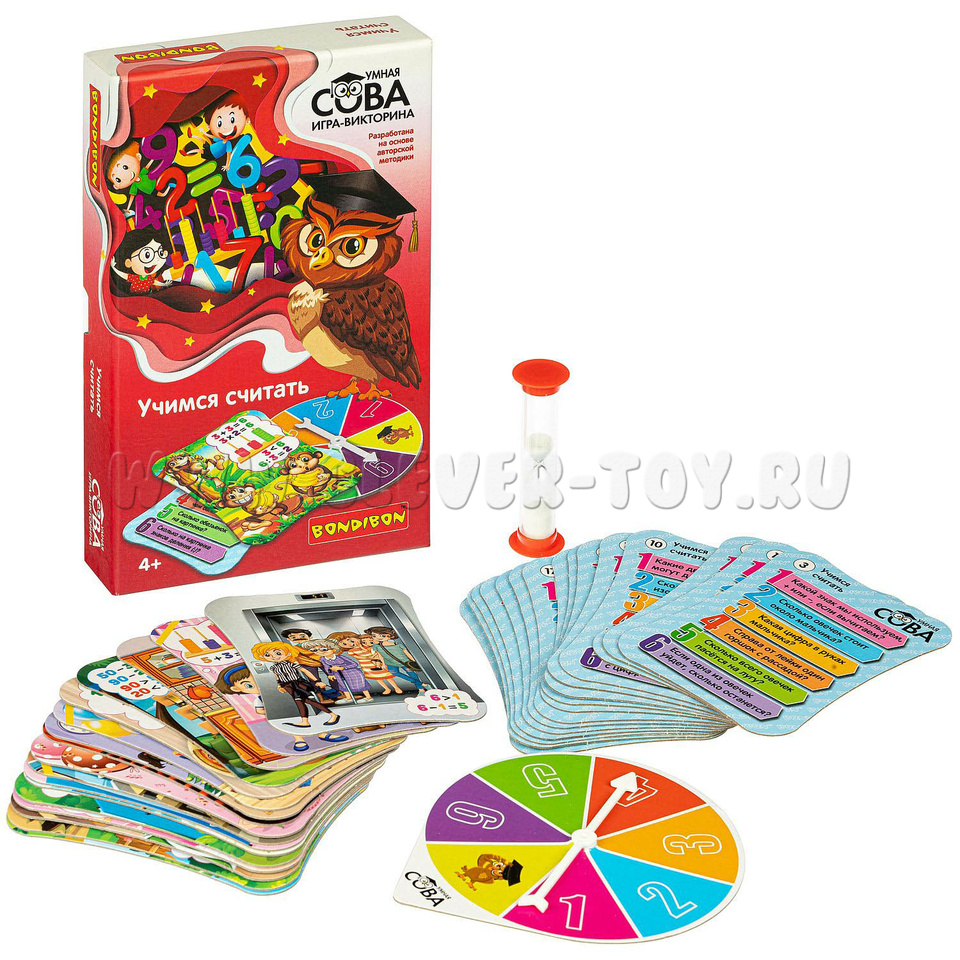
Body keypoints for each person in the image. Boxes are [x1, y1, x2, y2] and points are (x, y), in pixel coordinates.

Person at [250, 641, 339, 727]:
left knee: (300, 701)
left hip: (297, 684)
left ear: (288, 653)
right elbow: (277, 677)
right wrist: (279, 685)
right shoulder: (273, 668)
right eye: (267, 655)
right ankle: (314, 719)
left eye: (278, 653)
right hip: (286, 686)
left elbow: (305, 671)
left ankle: (315, 719)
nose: (273, 657)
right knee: (305, 701)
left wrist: (317, 681)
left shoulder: (291, 664)